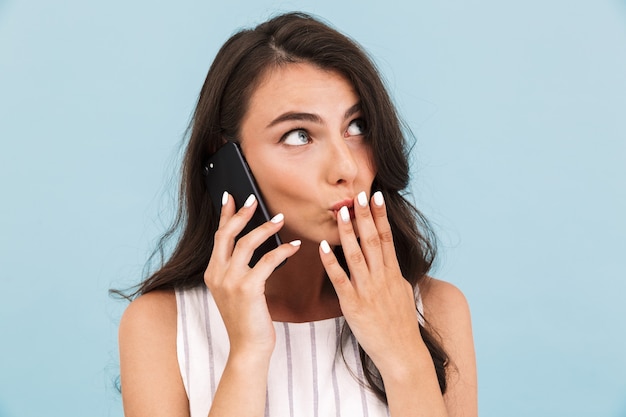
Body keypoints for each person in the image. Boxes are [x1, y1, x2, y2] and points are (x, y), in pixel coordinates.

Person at [118, 11, 477, 417]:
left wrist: (405, 357)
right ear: (228, 161)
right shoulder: (161, 326)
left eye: (357, 126)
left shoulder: (438, 309)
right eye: (299, 136)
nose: (346, 169)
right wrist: (248, 354)